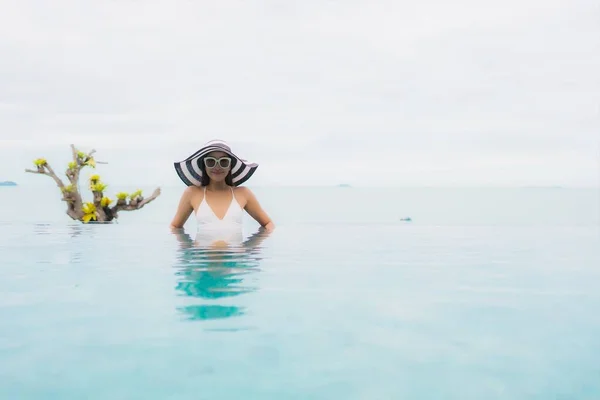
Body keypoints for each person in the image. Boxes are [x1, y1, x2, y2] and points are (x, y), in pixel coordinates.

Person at [169, 140, 275, 244]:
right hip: (202, 260)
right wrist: (188, 251)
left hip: (236, 260)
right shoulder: (192, 193)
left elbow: (268, 223)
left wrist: (251, 249)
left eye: (223, 161)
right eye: (211, 161)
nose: (217, 167)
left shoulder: (243, 193)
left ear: (230, 166)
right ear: (204, 165)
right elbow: (174, 227)